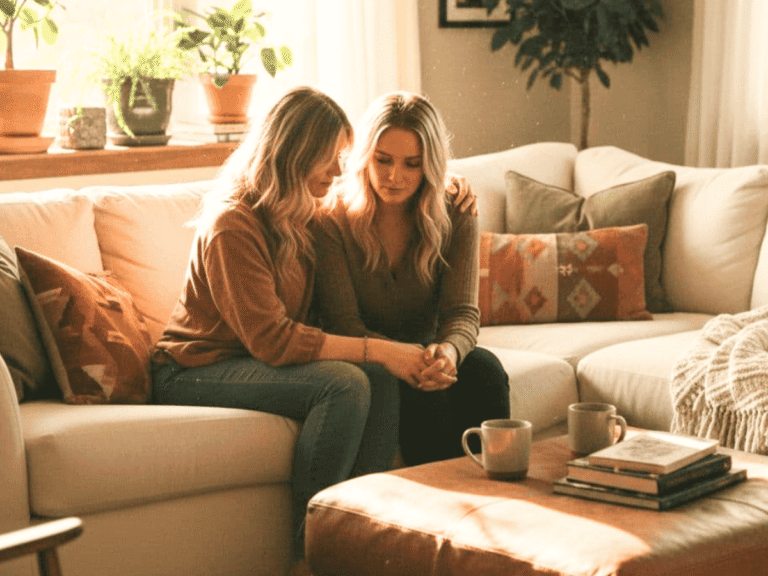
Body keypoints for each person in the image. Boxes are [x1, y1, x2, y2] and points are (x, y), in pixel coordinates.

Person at [151, 86, 473, 571]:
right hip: (194, 370)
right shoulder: (232, 224)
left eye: (343, 157)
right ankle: (311, 552)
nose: (339, 171)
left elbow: (380, 190)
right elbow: (274, 340)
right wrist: (381, 350)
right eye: (329, 159)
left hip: (252, 361)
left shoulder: (302, 209)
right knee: (345, 383)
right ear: (294, 155)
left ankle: (366, 535)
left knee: (378, 379)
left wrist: (446, 179)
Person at [313, 91, 510, 467]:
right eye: (382, 160)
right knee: (422, 395)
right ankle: (439, 506)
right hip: (369, 355)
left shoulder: (456, 208)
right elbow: (344, 324)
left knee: (484, 370)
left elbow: (463, 313)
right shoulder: (331, 217)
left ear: (430, 165)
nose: (394, 176)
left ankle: (500, 489)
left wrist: (449, 352)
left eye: (412, 164)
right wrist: (406, 359)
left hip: (429, 350)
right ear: (363, 156)